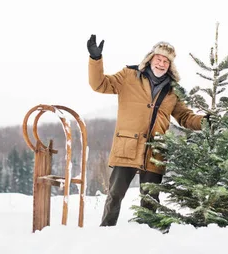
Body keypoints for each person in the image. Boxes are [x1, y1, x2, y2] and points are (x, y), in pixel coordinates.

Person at [87, 34, 205, 227]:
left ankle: (147, 236)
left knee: (150, 200)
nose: (161, 63)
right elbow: (99, 84)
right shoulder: (128, 76)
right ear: (150, 59)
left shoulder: (172, 90)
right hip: (127, 146)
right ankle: (106, 231)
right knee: (115, 194)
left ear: (170, 65)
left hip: (155, 151)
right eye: (158, 58)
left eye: (166, 61)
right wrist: (95, 60)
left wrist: (205, 122)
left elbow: (185, 117)